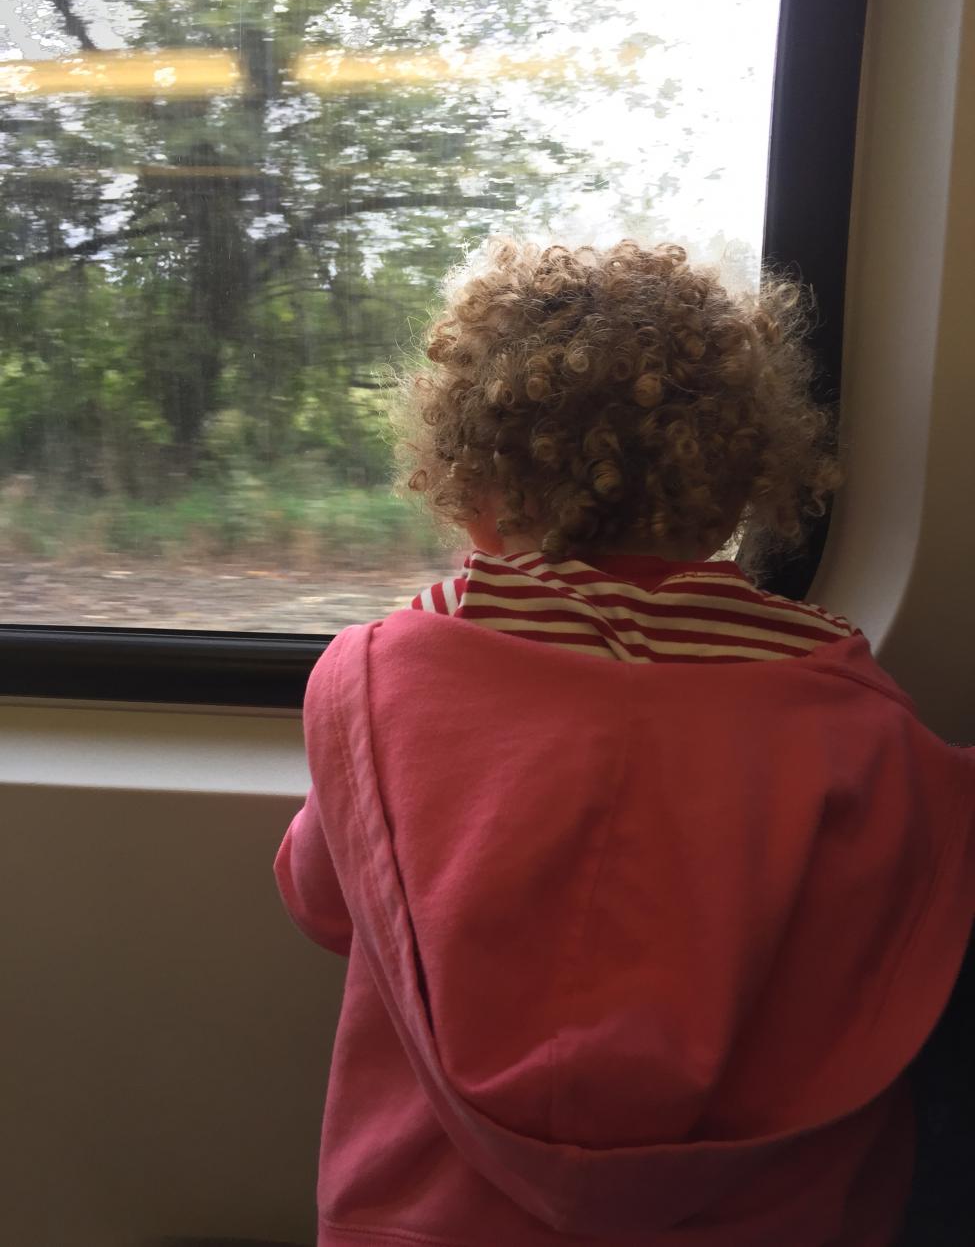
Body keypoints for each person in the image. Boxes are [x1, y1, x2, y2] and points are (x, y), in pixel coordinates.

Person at [274, 240, 975, 1247]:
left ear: (467, 482)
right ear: (735, 491)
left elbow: (322, 897)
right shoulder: (853, 711)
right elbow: (897, 931)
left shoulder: (377, 676)